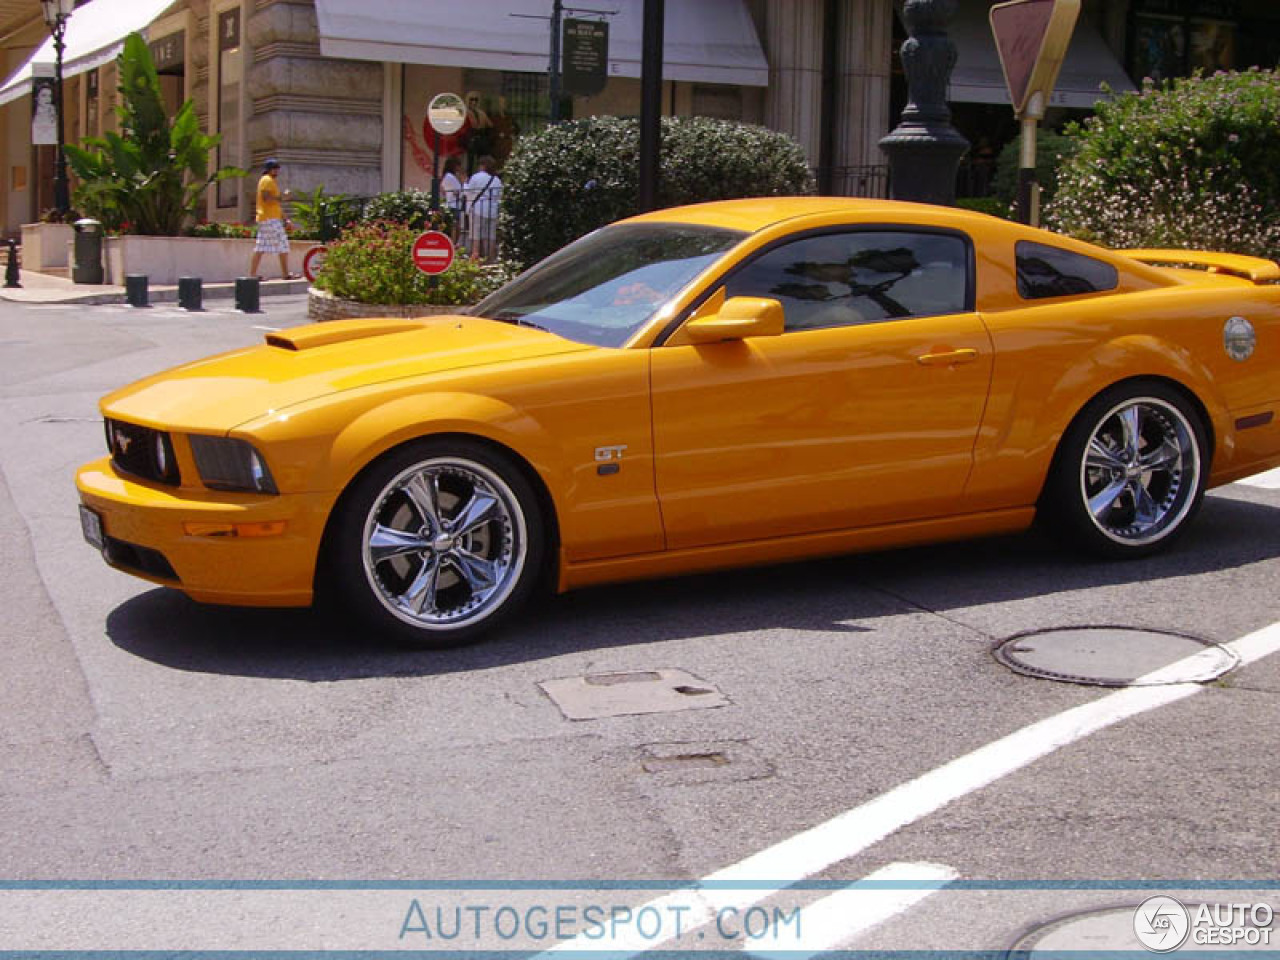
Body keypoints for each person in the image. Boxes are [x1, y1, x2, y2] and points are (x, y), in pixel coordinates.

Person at [248, 158, 296, 280]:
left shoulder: (270, 181)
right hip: (269, 219)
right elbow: (266, 198)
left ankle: (252, 275)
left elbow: (275, 205)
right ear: (270, 170)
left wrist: (286, 219)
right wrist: (282, 197)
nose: (277, 171)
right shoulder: (267, 180)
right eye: (275, 169)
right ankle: (285, 274)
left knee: (261, 247)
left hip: (267, 218)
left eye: (277, 168)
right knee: (283, 244)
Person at [464, 155, 503, 261]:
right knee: (491, 234)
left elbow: (468, 192)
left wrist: (465, 185)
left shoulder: (477, 176)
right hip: (492, 209)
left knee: (476, 232)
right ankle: (491, 256)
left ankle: (475, 255)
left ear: (482, 165)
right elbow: (500, 195)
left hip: (477, 208)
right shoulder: (496, 180)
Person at [441, 155, 463, 237]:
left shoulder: (447, 176)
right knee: (455, 226)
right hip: (454, 205)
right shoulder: (451, 177)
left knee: (454, 226)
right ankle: (453, 244)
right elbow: (457, 191)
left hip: (451, 204)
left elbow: (443, 189)